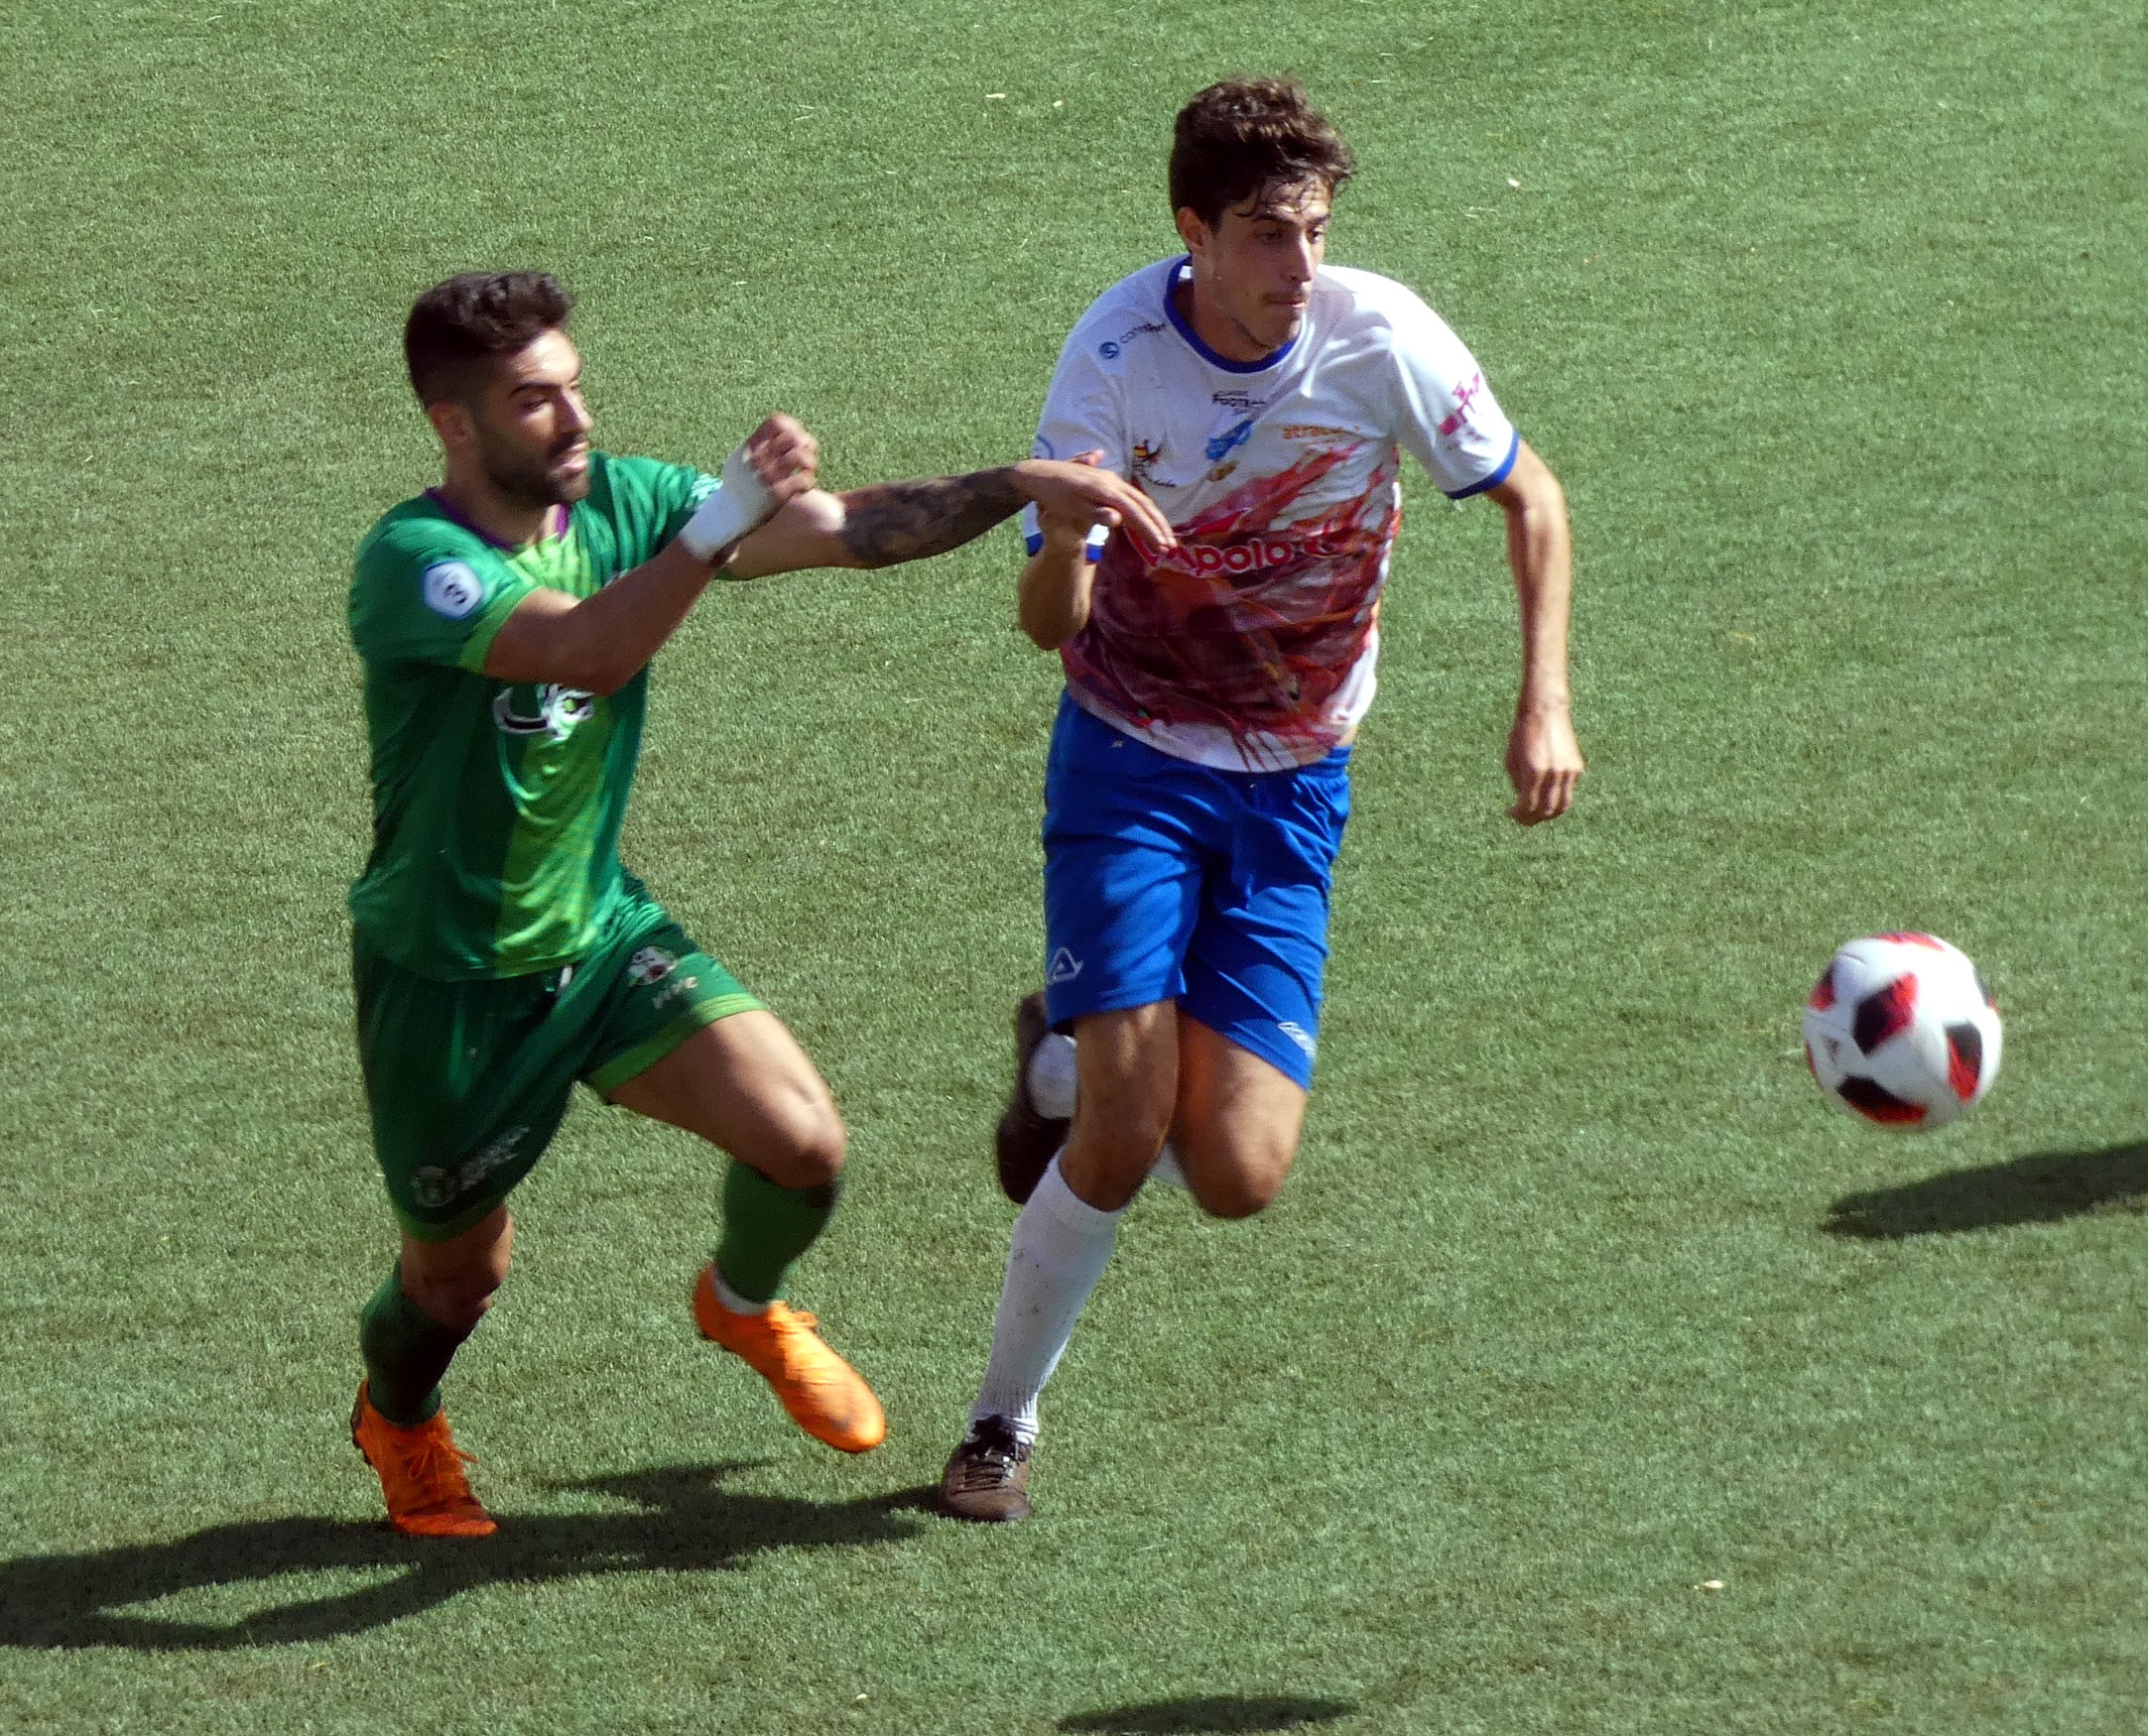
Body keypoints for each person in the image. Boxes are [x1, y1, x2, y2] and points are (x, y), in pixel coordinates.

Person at [347, 270, 1170, 1537]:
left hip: (599, 935)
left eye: (573, 388)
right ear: (454, 424)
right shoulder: (416, 563)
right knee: (458, 1277)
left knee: (802, 1143)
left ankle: (741, 1300)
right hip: (446, 981)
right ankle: (398, 1420)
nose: (572, 421)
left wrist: (1020, 486)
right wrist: (713, 522)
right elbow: (584, 650)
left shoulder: (628, 500)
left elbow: (842, 530)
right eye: (532, 401)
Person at [939, 79, 1583, 1522]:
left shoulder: (1378, 338)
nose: (1299, 267)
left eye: (1314, 231)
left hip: (1298, 782)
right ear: (1191, 231)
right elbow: (1051, 623)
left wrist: (1540, 698)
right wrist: (1062, 533)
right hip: (1131, 759)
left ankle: (1058, 1052)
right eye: (1266, 235)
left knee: (1235, 1173)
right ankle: (999, 1422)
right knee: (1122, 1122)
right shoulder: (1109, 360)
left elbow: (1529, 495)